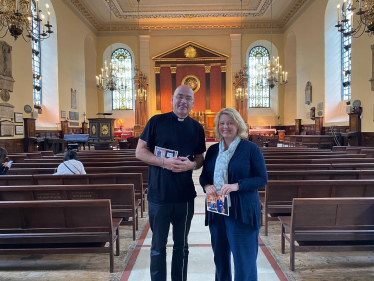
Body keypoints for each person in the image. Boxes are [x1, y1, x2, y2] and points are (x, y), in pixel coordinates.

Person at [136, 84, 206, 281]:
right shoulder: (156, 122)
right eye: (179, 97)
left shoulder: (197, 128)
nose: (183, 101)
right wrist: (163, 162)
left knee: (181, 246)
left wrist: (191, 165)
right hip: (159, 196)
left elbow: (200, 158)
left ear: (193, 103)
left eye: (188, 98)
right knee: (158, 247)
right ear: (172, 99)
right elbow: (139, 151)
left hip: (184, 197)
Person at [199, 108, 268, 281]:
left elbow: (262, 179)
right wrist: (207, 186)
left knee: (244, 260)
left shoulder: (251, 149)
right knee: (221, 259)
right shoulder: (213, 150)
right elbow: (204, 176)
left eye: (230, 123)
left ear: (238, 125)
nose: (225, 127)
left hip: (242, 210)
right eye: (222, 123)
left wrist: (238, 185)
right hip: (217, 207)